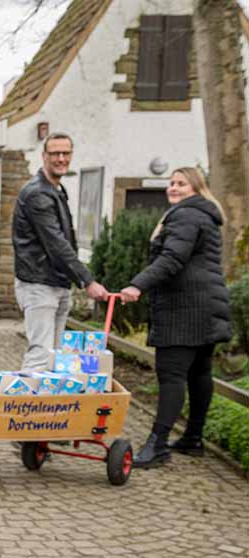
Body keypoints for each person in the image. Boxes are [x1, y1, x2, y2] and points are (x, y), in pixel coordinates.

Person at [120, 167, 232, 468]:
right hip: (206, 308)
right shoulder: (204, 215)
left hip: (184, 310)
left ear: (197, 188)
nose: (174, 188)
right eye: (171, 183)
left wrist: (136, 285)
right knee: (199, 372)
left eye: (182, 183)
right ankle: (192, 438)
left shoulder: (185, 216)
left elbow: (172, 258)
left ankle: (157, 445)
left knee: (171, 375)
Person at [12, 132, 109, 371]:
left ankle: (47, 407)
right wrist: (87, 280)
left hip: (57, 282)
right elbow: (56, 243)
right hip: (39, 283)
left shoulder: (56, 190)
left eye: (66, 153)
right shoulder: (38, 194)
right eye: (55, 153)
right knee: (41, 355)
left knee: (55, 359)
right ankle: (25, 405)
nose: (61, 158)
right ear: (44, 156)